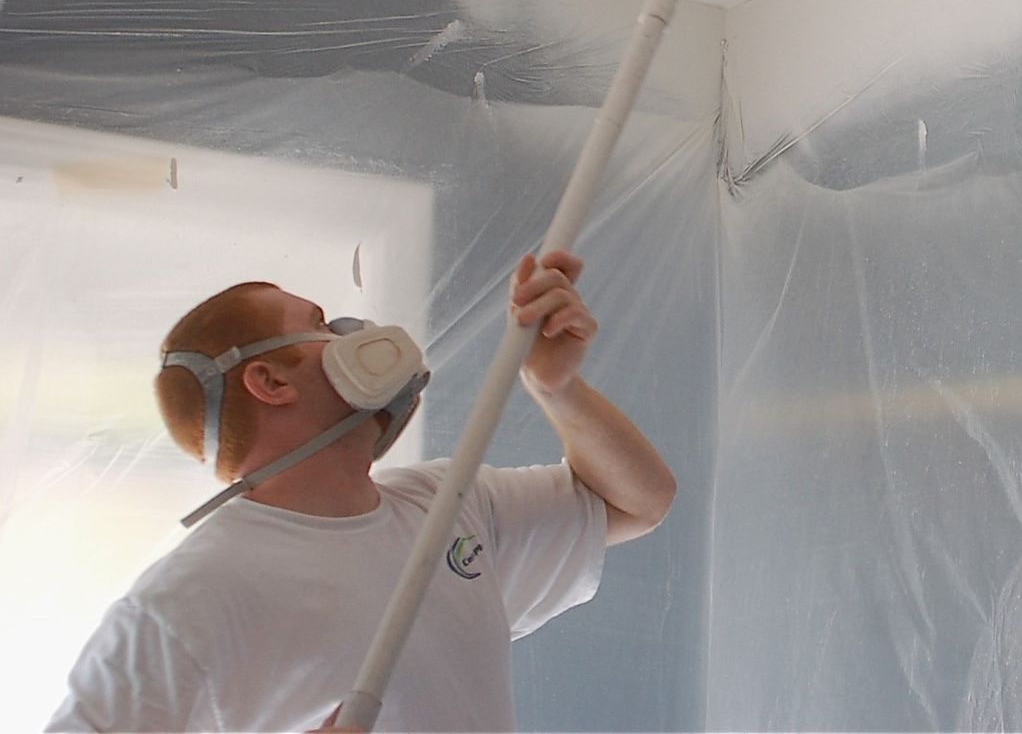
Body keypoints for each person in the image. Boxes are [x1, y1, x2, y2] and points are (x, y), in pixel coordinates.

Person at [47, 250, 676, 733]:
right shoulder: (185, 601)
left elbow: (637, 502)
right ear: (270, 381)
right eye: (319, 324)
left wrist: (556, 387)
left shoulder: (446, 504)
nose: (354, 333)